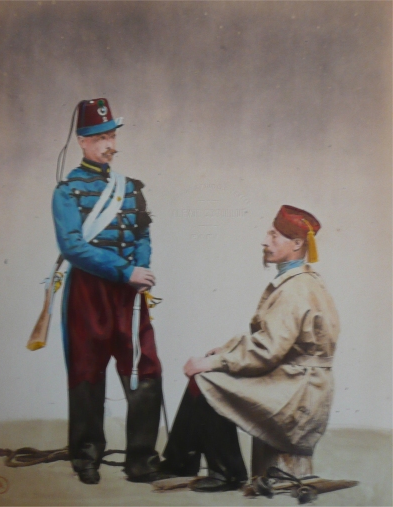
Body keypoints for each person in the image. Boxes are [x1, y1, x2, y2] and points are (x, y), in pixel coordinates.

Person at [159, 205, 340, 492]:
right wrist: (225, 351)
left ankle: (223, 472)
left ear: (297, 244)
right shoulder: (301, 281)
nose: (265, 241)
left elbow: (267, 351)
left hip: (298, 394)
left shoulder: (296, 289)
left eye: (274, 236)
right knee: (208, 375)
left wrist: (214, 363)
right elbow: (273, 340)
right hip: (297, 382)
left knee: (207, 380)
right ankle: (180, 462)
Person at [52, 98, 165, 485]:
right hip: (88, 292)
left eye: (112, 136)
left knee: (145, 368)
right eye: (100, 138)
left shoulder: (130, 189)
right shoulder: (67, 192)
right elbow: (73, 247)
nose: (109, 145)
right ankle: (86, 456)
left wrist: (141, 269)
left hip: (128, 292)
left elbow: (142, 234)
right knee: (87, 369)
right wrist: (125, 270)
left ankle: (141, 459)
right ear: (82, 142)